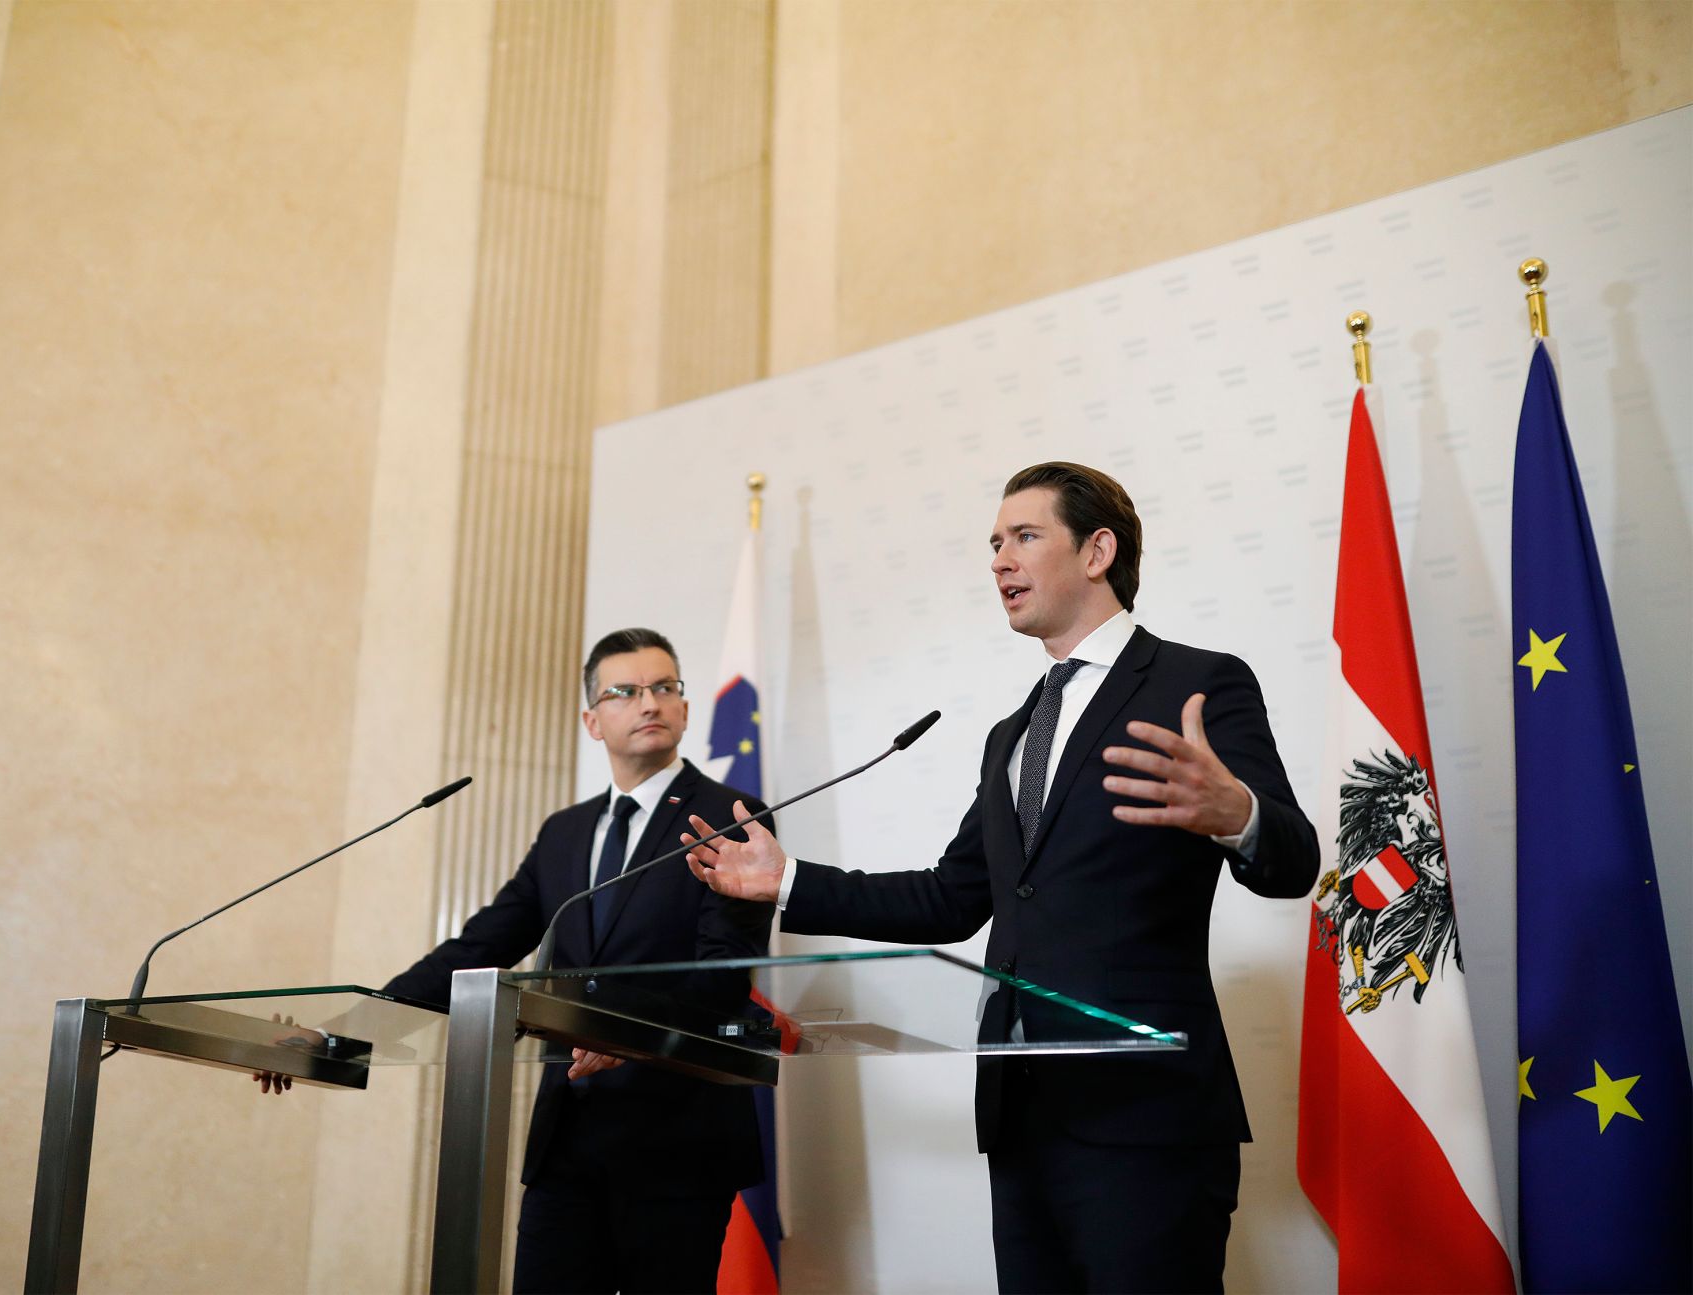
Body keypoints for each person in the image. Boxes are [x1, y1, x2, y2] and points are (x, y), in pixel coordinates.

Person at [684, 462, 1319, 1294]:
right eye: (993, 543)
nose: (999, 560)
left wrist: (1237, 811)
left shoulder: (1198, 682)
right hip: (1020, 1115)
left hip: (1145, 1116)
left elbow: (1294, 860)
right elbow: (950, 899)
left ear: (1098, 551)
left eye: (1023, 536)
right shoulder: (1012, 734)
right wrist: (787, 880)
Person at [382, 627, 775, 1294]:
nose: (648, 702)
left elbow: (724, 972)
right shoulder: (564, 831)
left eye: (664, 687)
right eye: (625, 691)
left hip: (677, 1144)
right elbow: (480, 946)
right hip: (568, 1143)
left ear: (684, 706)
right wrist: (361, 1020)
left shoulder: (729, 817)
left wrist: (621, 1030)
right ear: (592, 720)